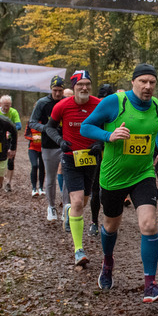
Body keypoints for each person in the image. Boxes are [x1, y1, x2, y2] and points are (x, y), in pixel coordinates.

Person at [81, 64, 158, 302]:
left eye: (152, 82)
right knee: (111, 225)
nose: (148, 86)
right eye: (143, 81)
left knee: (149, 225)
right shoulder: (114, 102)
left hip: (143, 174)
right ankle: (108, 261)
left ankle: (150, 284)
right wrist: (108, 136)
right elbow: (86, 126)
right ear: (133, 82)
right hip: (113, 176)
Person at [43, 71, 101, 268]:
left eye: (87, 84)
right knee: (77, 202)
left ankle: (69, 214)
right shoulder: (62, 106)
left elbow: (109, 126)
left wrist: (100, 143)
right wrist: (60, 141)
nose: (84, 88)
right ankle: (78, 250)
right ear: (74, 87)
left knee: (84, 201)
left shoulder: (98, 104)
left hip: (91, 158)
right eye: (80, 85)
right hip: (70, 159)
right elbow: (49, 128)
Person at [29, 76, 67, 221]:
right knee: (50, 178)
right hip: (49, 145)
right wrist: (46, 128)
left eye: (60, 90)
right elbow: (32, 122)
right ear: (51, 89)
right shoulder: (42, 103)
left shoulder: (66, 102)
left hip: (66, 144)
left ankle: (66, 207)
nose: (57, 93)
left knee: (67, 176)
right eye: (55, 90)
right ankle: (51, 206)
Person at [0, 95, 22, 192]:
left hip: (11, 139)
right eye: (5, 105)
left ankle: (8, 183)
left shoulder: (13, 112)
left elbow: (19, 126)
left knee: (10, 161)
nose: (6, 108)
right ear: (1, 104)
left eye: (8, 105)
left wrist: (10, 130)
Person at [24, 119, 45, 197]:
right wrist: (37, 138)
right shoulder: (30, 122)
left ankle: (41, 188)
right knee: (34, 165)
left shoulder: (45, 121)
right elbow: (26, 135)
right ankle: (34, 188)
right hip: (32, 148)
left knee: (42, 167)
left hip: (43, 149)